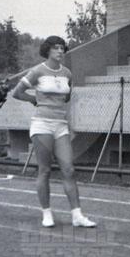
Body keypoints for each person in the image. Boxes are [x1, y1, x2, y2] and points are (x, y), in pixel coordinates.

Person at [12, 36, 96, 228]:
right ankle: (47, 213)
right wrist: (34, 100)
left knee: (69, 169)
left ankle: (77, 216)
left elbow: (67, 96)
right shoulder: (37, 71)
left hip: (61, 125)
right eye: (56, 48)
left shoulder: (67, 73)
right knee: (45, 170)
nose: (60, 51)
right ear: (48, 50)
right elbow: (17, 92)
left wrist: (54, 101)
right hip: (42, 124)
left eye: (62, 48)